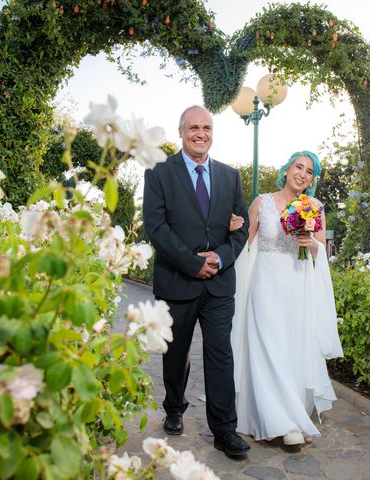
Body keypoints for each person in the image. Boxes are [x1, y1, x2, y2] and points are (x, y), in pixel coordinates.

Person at [143, 105, 251, 457]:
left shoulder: (230, 176)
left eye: (206, 127)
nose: (200, 133)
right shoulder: (159, 171)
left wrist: (219, 257)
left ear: (212, 132)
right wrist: (192, 263)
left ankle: (224, 430)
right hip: (177, 280)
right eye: (193, 127)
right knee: (176, 352)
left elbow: (241, 227)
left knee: (220, 354)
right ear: (181, 132)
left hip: (219, 283)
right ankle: (174, 407)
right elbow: (155, 226)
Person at [231, 151, 344, 446]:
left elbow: (321, 250)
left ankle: (290, 414)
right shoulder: (262, 203)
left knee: (290, 348)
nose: (302, 174)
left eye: (309, 171)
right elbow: (244, 244)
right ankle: (277, 421)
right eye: (298, 167)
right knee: (266, 346)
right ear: (287, 169)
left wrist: (311, 243)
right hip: (265, 285)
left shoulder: (315, 207)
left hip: (296, 286)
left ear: (311, 179)